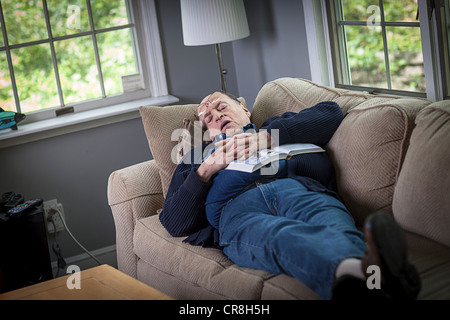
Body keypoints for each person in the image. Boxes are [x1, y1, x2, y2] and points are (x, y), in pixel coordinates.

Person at [159, 91, 421, 300]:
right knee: (281, 235)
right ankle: (378, 280)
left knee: (334, 227)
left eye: (221, 106)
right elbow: (174, 221)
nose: (215, 116)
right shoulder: (196, 160)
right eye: (207, 118)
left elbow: (331, 112)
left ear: (244, 109)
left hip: (302, 190)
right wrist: (206, 170)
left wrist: (268, 137)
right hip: (236, 210)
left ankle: (368, 283)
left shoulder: (276, 126)